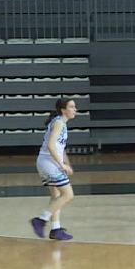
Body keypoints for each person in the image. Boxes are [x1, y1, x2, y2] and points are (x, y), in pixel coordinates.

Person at [30, 98, 78, 241]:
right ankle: (40, 220)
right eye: (72, 107)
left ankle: (56, 229)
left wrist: (67, 164)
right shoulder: (59, 123)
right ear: (63, 110)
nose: (75, 109)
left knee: (56, 196)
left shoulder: (59, 122)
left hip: (45, 162)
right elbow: (51, 145)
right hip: (49, 163)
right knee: (68, 195)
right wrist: (62, 165)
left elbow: (60, 149)